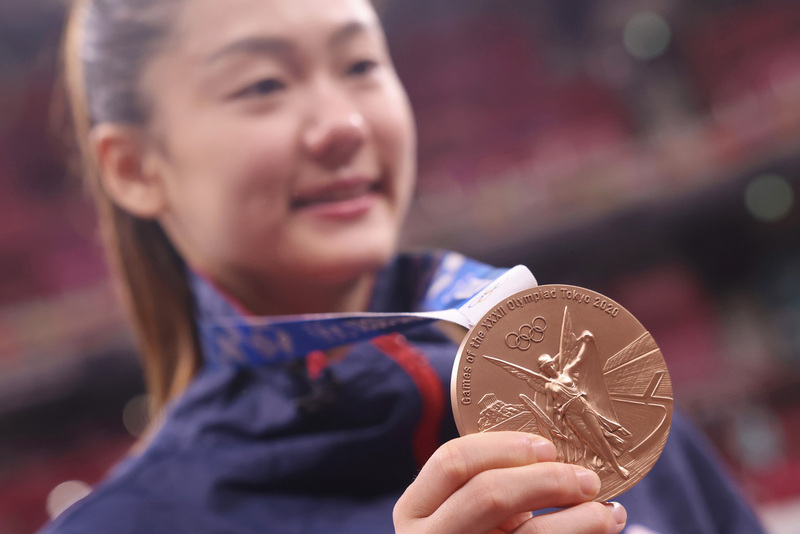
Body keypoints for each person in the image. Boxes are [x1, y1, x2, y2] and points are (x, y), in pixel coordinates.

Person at [41, 0, 766, 532]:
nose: (344, 124)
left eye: (360, 65)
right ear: (135, 167)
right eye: (262, 85)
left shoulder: (611, 396)